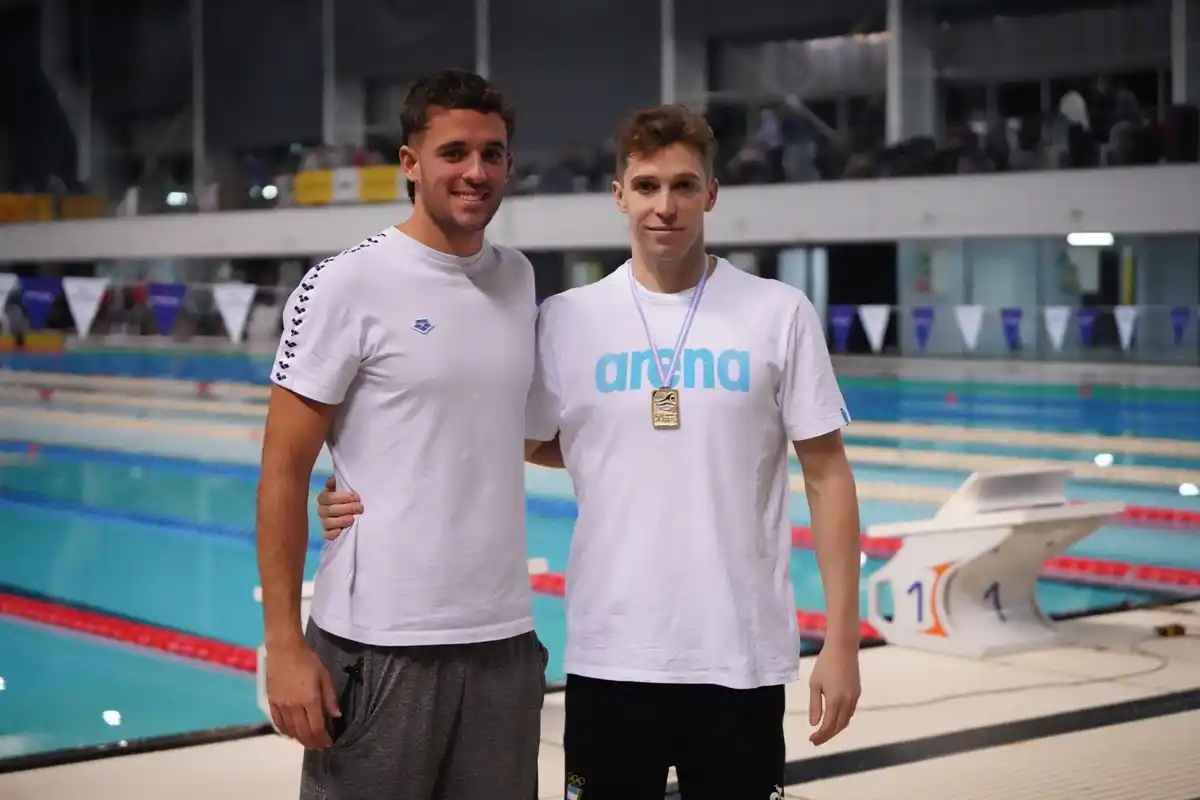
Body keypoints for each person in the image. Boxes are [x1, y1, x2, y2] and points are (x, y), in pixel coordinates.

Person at [317, 104, 864, 798]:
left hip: (740, 657)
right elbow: (492, 439)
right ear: (618, 195)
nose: (664, 206)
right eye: (646, 186)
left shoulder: (777, 312)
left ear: (712, 195)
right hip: (611, 657)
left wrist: (841, 645)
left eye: (684, 186)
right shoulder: (568, 320)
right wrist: (358, 489)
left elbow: (827, 477)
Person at [255, 68, 556, 800]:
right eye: (454, 152)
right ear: (411, 163)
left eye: (493, 153)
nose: (475, 171)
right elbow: (284, 471)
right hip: (377, 641)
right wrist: (285, 645)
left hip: (501, 638)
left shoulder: (517, 278)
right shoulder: (346, 284)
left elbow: (530, 435)